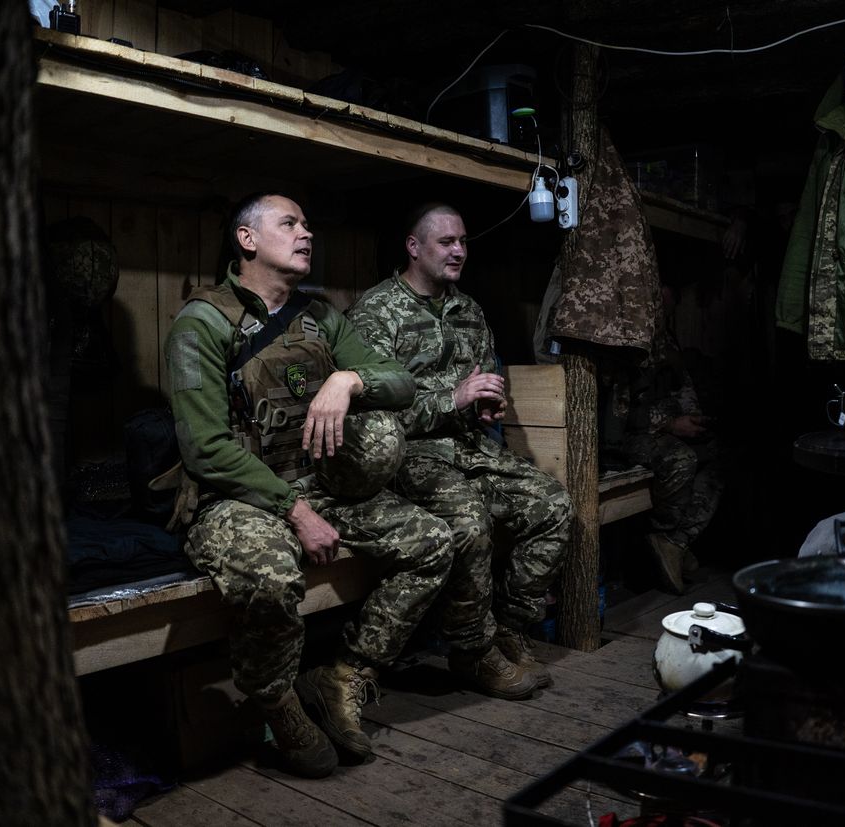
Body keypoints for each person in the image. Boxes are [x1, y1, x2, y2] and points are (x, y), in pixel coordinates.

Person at [163, 192, 454, 778]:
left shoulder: (319, 318)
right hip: (237, 496)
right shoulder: (203, 322)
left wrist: (347, 378)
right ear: (247, 241)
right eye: (289, 223)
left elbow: (399, 382)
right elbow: (205, 449)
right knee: (272, 577)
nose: (307, 234)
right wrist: (293, 509)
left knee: (432, 541)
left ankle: (345, 673)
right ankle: (277, 699)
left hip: (315, 483)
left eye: (308, 225)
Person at [347, 203, 571, 699]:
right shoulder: (376, 312)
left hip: (468, 446)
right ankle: (472, 650)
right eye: (446, 242)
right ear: (414, 247)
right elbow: (370, 417)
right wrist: (454, 399)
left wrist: (487, 405)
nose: (458, 251)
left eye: (463, 241)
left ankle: (509, 628)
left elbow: (478, 386)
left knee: (552, 504)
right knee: (469, 522)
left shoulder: (468, 310)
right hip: (410, 455)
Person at [605, 283, 723, 592]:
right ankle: (664, 536)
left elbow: (684, 390)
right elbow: (619, 415)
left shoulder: (665, 340)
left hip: (665, 430)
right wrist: (669, 424)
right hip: (629, 438)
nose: (662, 314)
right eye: (658, 306)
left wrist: (694, 419)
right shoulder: (626, 342)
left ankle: (676, 541)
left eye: (668, 308)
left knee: (716, 457)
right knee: (681, 459)